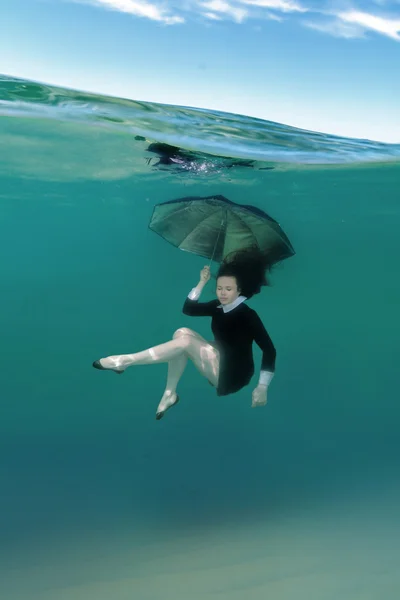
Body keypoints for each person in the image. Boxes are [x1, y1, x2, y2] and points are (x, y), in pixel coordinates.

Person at [92, 248, 276, 420]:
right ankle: (170, 393)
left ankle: (126, 361)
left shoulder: (248, 315)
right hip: (218, 358)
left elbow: (269, 350)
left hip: (232, 376)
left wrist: (262, 386)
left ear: (239, 290)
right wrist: (202, 282)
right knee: (181, 332)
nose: (222, 293)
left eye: (228, 289)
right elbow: (188, 309)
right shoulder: (217, 306)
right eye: (219, 288)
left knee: (186, 342)